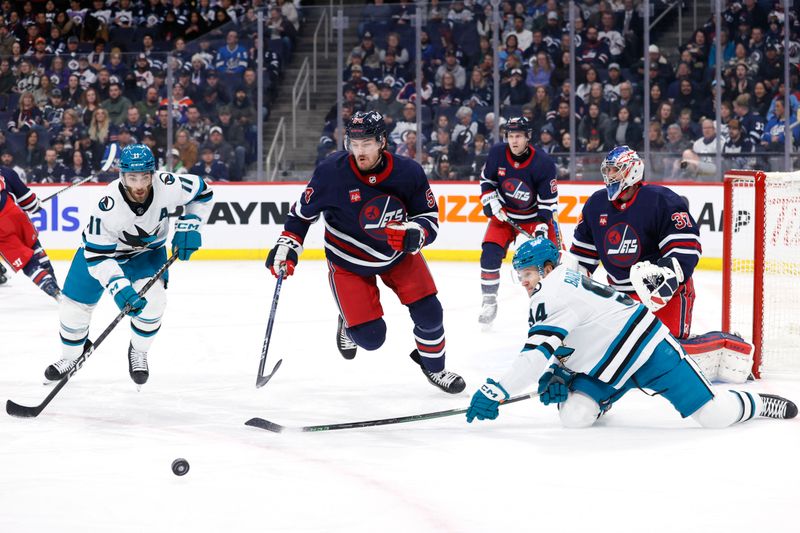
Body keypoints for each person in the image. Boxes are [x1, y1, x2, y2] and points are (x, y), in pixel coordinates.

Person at [465, 237, 798, 427]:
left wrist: (498, 390)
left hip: (648, 351)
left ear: (547, 269)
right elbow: (574, 334)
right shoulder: (559, 282)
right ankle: (606, 398)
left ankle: (754, 403)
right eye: (519, 274)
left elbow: (533, 356)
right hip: (606, 365)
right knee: (575, 417)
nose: (523, 281)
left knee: (715, 416)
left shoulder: (551, 294)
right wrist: (559, 372)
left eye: (528, 273)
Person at [266, 110, 465, 394]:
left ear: (382, 141)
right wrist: (288, 244)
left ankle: (435, 368)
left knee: (431, 314)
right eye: (354, 144)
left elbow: (428, 217)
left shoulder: (408, 172)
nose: (359, 151)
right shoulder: (331, 173)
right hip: (348, 262)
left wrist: (415, 233)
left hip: (397, 256)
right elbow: (301, 215)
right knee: (372, 339)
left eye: (367, 144)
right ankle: (348, 321)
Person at [569, 146, 756, 382]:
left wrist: (665, 276)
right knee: (612, 352)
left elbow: (686, 247)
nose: (610, 176)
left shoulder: (661, 200)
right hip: (620, 297)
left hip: (666, 294)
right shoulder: (596, 205)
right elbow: (582, 256)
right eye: (608, 171)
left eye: (616, 170)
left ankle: (729, 345)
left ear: (633, 171)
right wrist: (571, 283)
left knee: (665, 355)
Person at [43, 144, 214, 386]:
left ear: (153, 174)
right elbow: (98, 258)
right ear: (122, 176)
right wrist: (119, 287)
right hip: (99, 256)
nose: (140, 185)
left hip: (147, 254)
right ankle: (71, 356)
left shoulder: (168, 184)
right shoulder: (107, 206)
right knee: (73, 309)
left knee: (154, 303)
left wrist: (192, 222)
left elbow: (203, 193)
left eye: (145, 176)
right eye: (132, 177)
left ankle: (139, 351)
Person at [477, 116, 558, 326]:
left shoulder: (543, 163)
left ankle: (552, 303)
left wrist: (541, 227)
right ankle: (489, 301)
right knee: (489, 254)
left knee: (551, 261)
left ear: (528, 137)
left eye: (519, 136)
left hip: (534, 217)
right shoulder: (497, 153)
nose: (514, 141)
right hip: (506, 214)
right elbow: (487, 181)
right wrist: (490, 199)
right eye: (511, 136)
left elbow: (548, 203)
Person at [0, 165, 60, 299]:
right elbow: (29, 203)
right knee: (33, 244)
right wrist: (36, 205)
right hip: (13, 213)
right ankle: (54, 281)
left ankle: (49, 286)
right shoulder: (5, 171)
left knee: (26, 261)